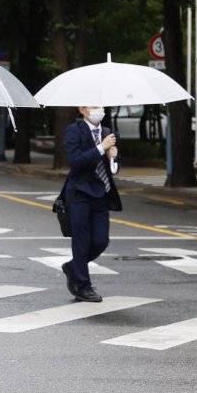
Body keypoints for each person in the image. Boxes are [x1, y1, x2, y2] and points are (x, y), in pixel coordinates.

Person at [62, 106, 120, 303]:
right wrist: (100, 148)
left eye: (100, 105)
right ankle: (83, 287)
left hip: (102, 194)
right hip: (80, 193)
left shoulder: (110, 134)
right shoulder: (73, 131)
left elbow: (115, 167)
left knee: (101, 241)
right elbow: (75, 162)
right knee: (81, 242)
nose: (99, 109)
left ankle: (72, 267)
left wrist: (113, 159)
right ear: (83, 109)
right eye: (94, 106)